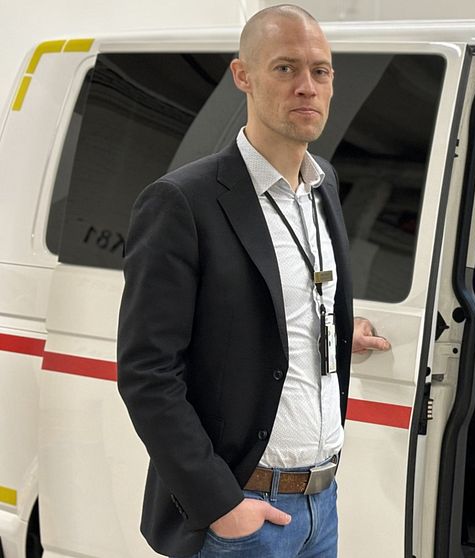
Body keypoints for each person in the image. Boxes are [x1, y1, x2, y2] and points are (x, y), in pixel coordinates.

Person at [116, 5, 390, 557]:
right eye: (285, 68)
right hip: (245, 510)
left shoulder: (323, 185)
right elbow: (148, 372)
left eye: (320, 70)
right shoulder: (183, 202)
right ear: (243, 76)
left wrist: (340, 329)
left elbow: (279, 303)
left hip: (321, 503)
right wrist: (221, 504)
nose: (307, 86)